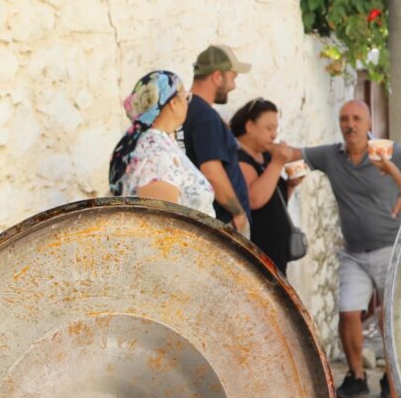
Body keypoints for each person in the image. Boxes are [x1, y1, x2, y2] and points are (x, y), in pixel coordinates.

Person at [302, 99, 401, 398]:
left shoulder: (390, 152)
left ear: (368, 122)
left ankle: (389, 379)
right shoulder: (330, 156)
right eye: (344, 119)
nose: (350, 124)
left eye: (356, 118)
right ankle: (356, 377)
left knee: (389, 318)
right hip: (353, 252)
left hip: (389, 248)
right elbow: (292, 153)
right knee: (348, 312)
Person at [108, 70, 217, 217]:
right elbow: (161, 224)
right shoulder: (156, 153)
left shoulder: (154, 144)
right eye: (186, 97)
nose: (187, 103)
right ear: (173, 103)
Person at [182, 44, 252, 238]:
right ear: (217, 76)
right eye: (233, 77)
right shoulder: (205, 116)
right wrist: (237, 212)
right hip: (220, 223)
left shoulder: (183, 108)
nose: (234, 85)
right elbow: (212, 172)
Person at [231, 97, 305, 275]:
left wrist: (291, 185)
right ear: (249, 126)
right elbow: (254, 199)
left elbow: (272, 201)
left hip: (276, 253)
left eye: (276, 129)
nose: (274, 135)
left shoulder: (264, 157)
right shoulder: (240, 158)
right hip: (258, 253)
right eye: (269, 128)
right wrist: (278, 163)